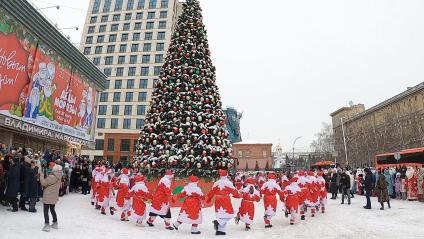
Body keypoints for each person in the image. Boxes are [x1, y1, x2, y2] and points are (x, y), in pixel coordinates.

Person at [206, 169, 239, 235]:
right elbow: (234, 192)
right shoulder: (228, 183)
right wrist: (239, 195)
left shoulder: (216, 183)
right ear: (226, 175)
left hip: (218, 199)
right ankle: (218, 222)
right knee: (230, 214)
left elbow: (211, 192)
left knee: (222, 215)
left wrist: (208, 199)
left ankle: (220, 231)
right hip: (225, 199)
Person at [40, 163, 63, 232]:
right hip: (54, 195)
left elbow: (43, 183)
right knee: (52, 209)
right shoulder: (59, 176)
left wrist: (41, 176)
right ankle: (55, 223)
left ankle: (47, 225)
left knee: (46, 210)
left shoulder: (52, 177)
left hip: (48, 195)